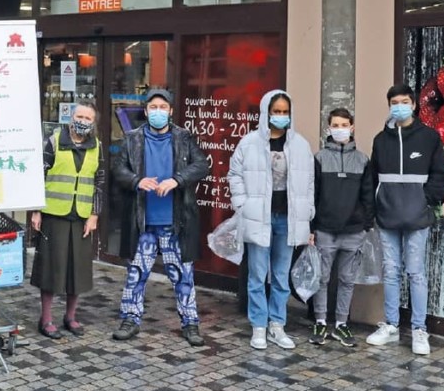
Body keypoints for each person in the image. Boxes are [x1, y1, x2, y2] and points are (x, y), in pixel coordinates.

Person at [111, 89, 209, 347]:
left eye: (162, 107)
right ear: (145, 111)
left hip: (176, 222)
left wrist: (177, 180)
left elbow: (202, 166)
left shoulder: (184, 138)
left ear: (171, 110)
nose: (157, 111)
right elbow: (117, 169)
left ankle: (190, 323)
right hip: (143, 221)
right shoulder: (132, 139)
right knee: (136, 273)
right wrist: (136, 180)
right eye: (153, 107)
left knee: (183, 275)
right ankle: (130, 319)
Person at [228, 90, 315, 350]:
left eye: (284, 112)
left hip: (287, 219)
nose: (280, 116)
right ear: (266, 112)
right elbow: (235, 174)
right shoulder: (249, 142)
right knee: (257, 274)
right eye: (275, 111)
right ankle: (258, 326)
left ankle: (277, 324)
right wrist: (242, 203)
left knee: (280, 275)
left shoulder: (300, 145)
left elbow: (309, 183)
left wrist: (307, 212)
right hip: (259, 217)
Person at [365, 84, 444, 355]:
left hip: (417, 217)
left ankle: (419, 330)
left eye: (403, 101)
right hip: (387, 215)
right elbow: (373, 177)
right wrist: (374, 208)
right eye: (393, 102)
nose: (398, 106)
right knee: (390, 271)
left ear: (413, 104)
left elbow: (439, 174)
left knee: (416, 272)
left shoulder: (429, 137)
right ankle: (391, 326)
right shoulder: (380, 140)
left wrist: (427, 200)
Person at [30, 100, 105, 339]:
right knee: (52, 267)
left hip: (81, 215)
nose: (82, 121)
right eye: (79, 117)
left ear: (93, 123)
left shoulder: (97, 147)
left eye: (87, 119)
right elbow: (38, 176)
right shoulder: (53, 142)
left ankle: (70, 317)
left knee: (78, 269)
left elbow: (100, 183)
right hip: (54, 213)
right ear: (71, 117)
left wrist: (94, 214)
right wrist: (36, 210)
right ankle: (46, 318)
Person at [308, 108, 375, 347]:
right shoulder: (319, 158)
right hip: (326, 229)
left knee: (347, 279)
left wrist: (366, 224)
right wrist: (311, 227)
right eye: (335, 125)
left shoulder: (363, 159)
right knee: (322, 278)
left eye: (344, 124)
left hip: (354, 230)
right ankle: (320, 321)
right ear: (328, 128)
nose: (339, 129)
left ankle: (341, 324)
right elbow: (313, 194)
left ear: (352, 127)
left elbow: (368, 196)